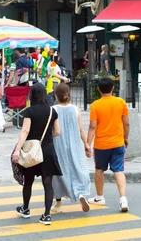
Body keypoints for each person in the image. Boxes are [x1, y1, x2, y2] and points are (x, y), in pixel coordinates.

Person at [12, 83, 62, 225]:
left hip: (31, 151)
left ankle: (26, 209)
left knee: (28, 181)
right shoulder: (52, 111)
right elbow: (57, 132)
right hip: (47, 150)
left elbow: (25, 131)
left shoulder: (29, 111)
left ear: (32, 95)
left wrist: (17, 150)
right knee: (48, 183)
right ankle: (46, 215)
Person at [86, 77, 130, 212]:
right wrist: (125, 138)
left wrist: (88, 143)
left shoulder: (95, 105)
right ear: (112, 88)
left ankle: (99, 197)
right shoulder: (121, 102)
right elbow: (126, 123)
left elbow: (92, 127)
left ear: (99, 89)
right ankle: (123, 199)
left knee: (99, 169)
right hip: (117, 142)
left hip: (101, 144)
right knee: (119, 170)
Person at [51, 84, 92, 213]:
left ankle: (58, 204)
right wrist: (86, 144)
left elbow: (53, 129)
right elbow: (80, 129)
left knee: (58, 173)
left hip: (58, 144)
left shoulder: (53, 109)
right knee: (77, 169)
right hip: (75, 144)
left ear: (56, 96)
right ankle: (80, 193)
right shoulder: (75, 109)